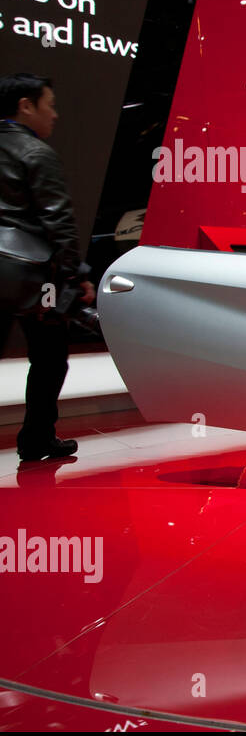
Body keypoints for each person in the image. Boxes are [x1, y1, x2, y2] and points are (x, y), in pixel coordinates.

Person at [0, 73, 95, 461]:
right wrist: (76, 277)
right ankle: (37, 438)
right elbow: (58, 222)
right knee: (49, 356)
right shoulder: (36, 152)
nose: (54, 115)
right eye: (49, 104)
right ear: (26, 106)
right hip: (32, 278)